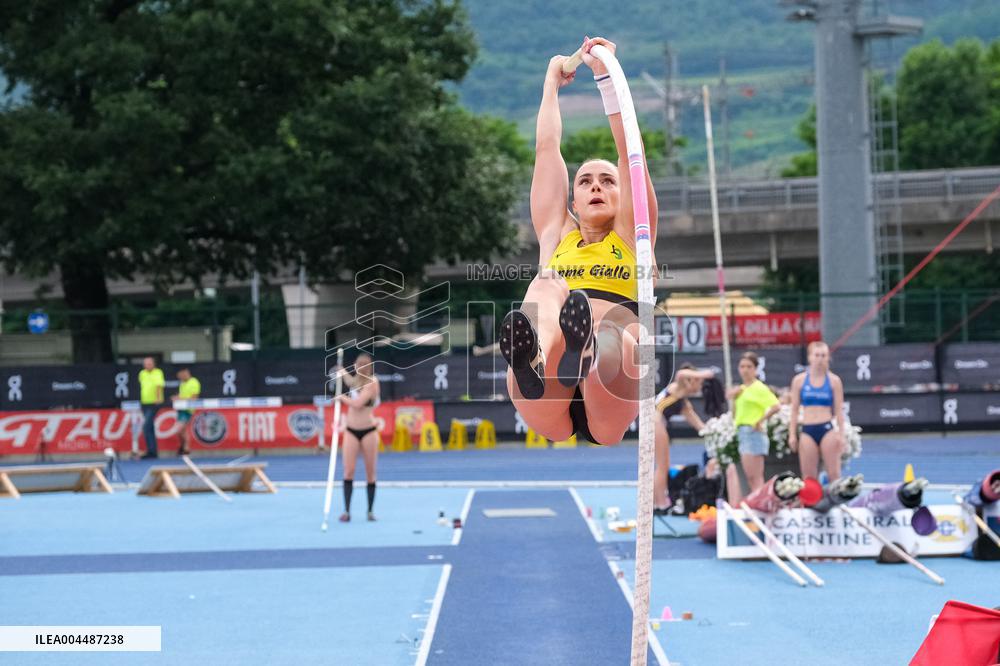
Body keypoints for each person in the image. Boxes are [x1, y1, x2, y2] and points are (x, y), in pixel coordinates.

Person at [499, 36, 658, 446]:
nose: (595, 187)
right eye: (585, 181)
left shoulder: (632, 236)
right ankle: (535, 355)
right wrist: (551, 82)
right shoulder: (557, 235)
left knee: (616, 335)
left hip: (612, 379)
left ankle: (584, 347)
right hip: (547, 388)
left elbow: (630, 153)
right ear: (573, 200)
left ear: (626, 195)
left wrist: (605, 76)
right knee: (546, 282)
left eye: (608, 180)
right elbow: (546, 149)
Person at [653, 364, 715, 514]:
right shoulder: (678, 387)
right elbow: (680, 373)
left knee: (664, 466)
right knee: (662, 466)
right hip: (654, 421)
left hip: (658, 423)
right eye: (699, 382)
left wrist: (717, 430)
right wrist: (705, 373)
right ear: (692, 380)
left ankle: (657, 501)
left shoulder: (683, 403)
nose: (700, 386)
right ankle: (659, 503)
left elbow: (700, 427)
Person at [789, 341, 845, 482]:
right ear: (810, 357)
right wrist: (792, 435)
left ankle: (836, 502)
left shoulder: (834, 381)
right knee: (809, 477)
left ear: (828, 358)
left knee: (834, 474)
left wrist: (841, 435)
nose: (820, 359)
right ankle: (811, 503)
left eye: (823, 355)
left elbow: (839, 410)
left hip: (826, 428)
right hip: (808, 429)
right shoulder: (799, 381)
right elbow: (794, 410)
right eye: (817, 355)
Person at [335, 354, 381, 522]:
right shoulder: (355, 381)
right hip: (351, 430)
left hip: (368, 430)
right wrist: (342, 371)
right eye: (358, 364)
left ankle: (370, 511)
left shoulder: (372, 382)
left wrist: (341, 398)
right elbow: (350, 382)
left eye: (365, 365)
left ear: (369, 367)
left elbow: (357, 403)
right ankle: (346, 511)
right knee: (349, 471)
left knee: (370, 473)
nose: (361, 368)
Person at [727, 352, 780, 495]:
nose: (745, 370)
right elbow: (736, 413)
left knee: (755, 477)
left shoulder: (759, 388)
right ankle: (757, 502)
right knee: (750, 477)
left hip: (753, 432)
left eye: (749, 367)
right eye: (742, 366)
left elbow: (776, 406)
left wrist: (760, 421)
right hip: (743, 432)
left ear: (755, 369)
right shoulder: (742, 389)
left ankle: (759, 504)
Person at [138, 357, 164, 459]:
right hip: (144, 403)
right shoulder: (142, 373)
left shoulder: (158, 372)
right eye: (146, 364)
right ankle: (153, 452)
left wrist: (158, 398)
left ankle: (151, 451)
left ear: (154, 364)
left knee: (146, 427)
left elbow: (158, 386)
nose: (147, 365)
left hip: (154, 403)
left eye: (149, 363)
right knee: (150, 428)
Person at [171, 367, 200, 456]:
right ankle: (185, 448)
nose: (180, 377)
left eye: (181, 375)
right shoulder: (182, 383)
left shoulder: (194, 382)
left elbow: (194, 398)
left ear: (185, 373)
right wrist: (176, 398)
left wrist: (180, 398)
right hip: (181, 409)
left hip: (188, 410)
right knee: (183, 431)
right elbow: (182, 395)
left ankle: (184, 447)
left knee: (179, 430)